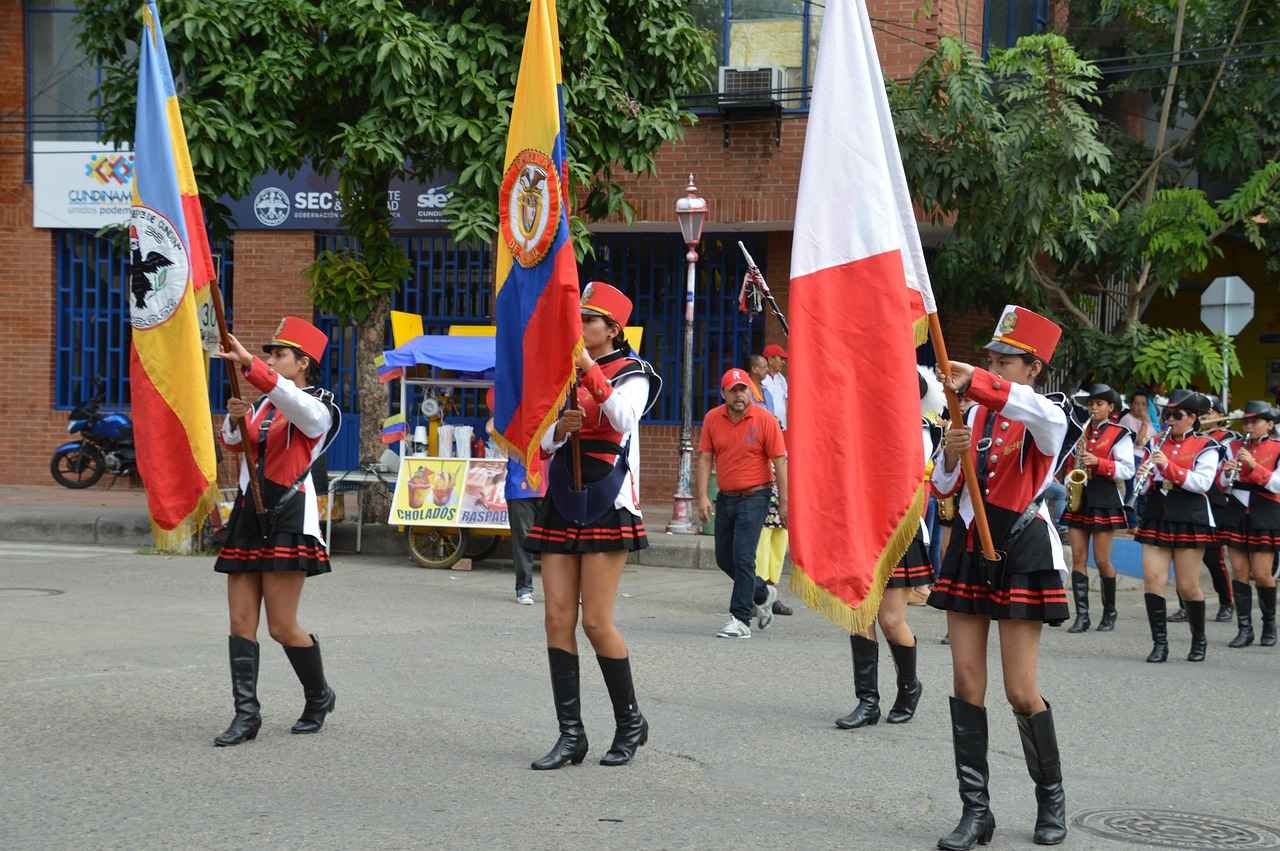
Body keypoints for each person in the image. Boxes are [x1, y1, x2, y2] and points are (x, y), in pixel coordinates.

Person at [928, 305, 1071, 849]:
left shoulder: (1049, 412)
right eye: (992, 359)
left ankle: (1050, 796)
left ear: (1033, 367)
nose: (996, 367)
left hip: (1021, 547)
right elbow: (943, 488)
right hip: (970, 544)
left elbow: (1035, 414)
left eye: (1006, 360)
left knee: (1019, 689)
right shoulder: (970, 413)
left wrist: (979, 383)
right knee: (966, 681)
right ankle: (976, 811)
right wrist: (949, 451)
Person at [524, 282, 662, 770]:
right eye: (577, 318)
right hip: (563, 497)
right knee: (556, 617)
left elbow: (623, 417)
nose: (579, 326)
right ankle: (571, 735)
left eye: (589, 319)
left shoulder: (635, 372)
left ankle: (629, 722)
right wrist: (557, 434)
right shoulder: (563, 373)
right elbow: (539, 446)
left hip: (609, 499)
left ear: (612, 329)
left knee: (597, 621)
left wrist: (585, 366)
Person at [210, 317, 341, 747]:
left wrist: (252, 367)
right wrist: (234, 421)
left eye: (279, 354)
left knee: (282, 627)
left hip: (288, 517)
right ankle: (246, 715)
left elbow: (298, 411)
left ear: (303, 362)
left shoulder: (321, 405)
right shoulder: (266, 405)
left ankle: (318, 695)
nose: (271, 360)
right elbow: (237, 444)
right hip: (250, 514)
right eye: (268, 354)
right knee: (240, 621)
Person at [835, 370, 936, 731]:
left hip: (897, 531)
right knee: (860, 616)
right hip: (861, 529)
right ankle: (867, 702)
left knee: (891, 621)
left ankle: (909, 688)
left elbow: (904, 472)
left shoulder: (921, 429)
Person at [696, 368, 788, 639]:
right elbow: (704, 457)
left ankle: (740, 619)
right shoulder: (713, 419)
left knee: (743, 557)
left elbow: (780, 460)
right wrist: (701, 496)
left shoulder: (765, 419)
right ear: (723, 393)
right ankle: (762, 592)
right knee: (725, 558)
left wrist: (784, 502)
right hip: (726, 497)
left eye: (743, 389)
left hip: (756, 496)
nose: (739, 395)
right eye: (733, 390)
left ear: (750, 391)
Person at [1133, 390, 1219, 664]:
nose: (1170, 421)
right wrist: (1143, 476)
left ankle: (1199, 640)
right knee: (1153, 579)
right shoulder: (1156, 442)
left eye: (1177, 416)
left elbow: (1201, 483)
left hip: (1189, 515)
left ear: (1192, 418)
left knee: (1187, 585)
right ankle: (1160, 644)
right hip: (1158, 511)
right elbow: (1150, 482)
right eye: (1167, 415)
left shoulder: (1207, 446)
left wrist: (1168, 467)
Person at [1060, 385, 1134, 633]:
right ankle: (1082, 616)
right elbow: (1069, 462)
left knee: (1102, 560)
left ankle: (1109, 612)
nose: (1094, 408)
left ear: (1111, 408)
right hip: (1080, 496)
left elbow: (1127, 469)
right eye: (1091, 404)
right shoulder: (1080, 431)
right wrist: (1071, 477)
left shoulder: (1119, 433)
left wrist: (1100, 463)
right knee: (1078, 558)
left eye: (1100, 404)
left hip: (1104, 496)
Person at [1219, 402, 1280, 648]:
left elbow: (1277, 485)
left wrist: (1254, 466)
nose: (1249, 426)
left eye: (1255, 421)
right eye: (1247, 421)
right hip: (1236, 510)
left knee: (1263, 574)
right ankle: (1245, 629)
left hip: (1265, 512)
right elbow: (1221, 483)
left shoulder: (1277, 447)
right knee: (1240, 572)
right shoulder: (1231, 446)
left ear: (1270, 424)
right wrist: (1226, 473)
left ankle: (1269, 625)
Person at [485, 388, 546, 605]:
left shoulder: (550, 408)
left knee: (555, 542)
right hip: (520, 486)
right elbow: (491, 427)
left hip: (550, 484)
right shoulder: (511, 412)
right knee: (523, 540)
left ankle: (560, 590)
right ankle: (524, 587)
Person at [1194, 395, 1237, 623]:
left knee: (1214, 557)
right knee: (1184, 555)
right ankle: (1186, 605)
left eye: (1208, 413)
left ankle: (1226, 603)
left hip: (1215, 499)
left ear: (1220, 415)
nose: (1204, 417)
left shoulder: (1229, 439)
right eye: (1200, 413)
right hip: (1189, 498)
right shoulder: (1191, 437)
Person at [761, 343, 788, 430]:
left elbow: (786, 401)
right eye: (781, 358)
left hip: (782, 427)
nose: (783, 362)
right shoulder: (759, 378)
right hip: (765, 427)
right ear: (770, 360)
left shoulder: (781, 378)